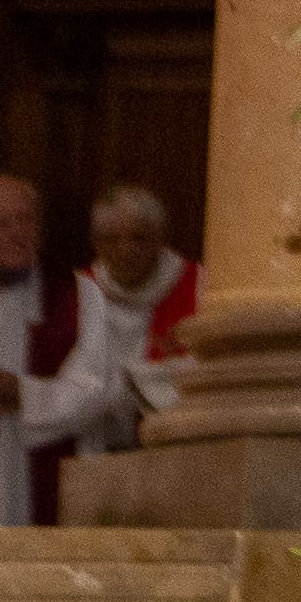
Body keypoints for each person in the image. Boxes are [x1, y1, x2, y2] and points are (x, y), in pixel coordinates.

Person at [0, 172, 130, 527]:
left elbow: (99, 387)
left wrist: (24, 394)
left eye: (25, 219)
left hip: (42, 479)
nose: (17, 233)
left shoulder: (80, 296)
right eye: (0, 223)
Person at [67, 183, 198, 456]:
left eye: (138, 238)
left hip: (172, 446)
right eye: (112, 239)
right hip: (94, 447)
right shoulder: (78, 292)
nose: (125, 251)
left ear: (160, 238)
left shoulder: (198, 286)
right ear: (95, 242)